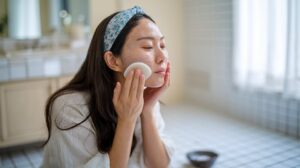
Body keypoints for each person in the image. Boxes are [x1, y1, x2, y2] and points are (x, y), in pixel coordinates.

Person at [41, 6, 175, 168]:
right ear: (113, 60)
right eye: (147, 46)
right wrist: (127, 120)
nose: (162, 57)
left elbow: (159, 165)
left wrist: (147, 111)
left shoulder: (144, 95)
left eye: (162, 45)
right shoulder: (69, 107)